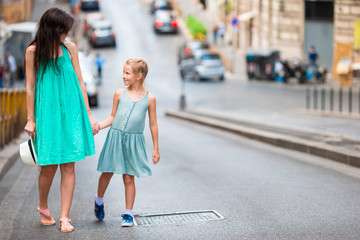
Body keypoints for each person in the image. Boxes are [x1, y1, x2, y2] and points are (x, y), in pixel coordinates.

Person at [24, 8, 98, 233]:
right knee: (48, 167)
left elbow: (80, 81)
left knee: (68, 165)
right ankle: (43, 205)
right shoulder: (33, 51)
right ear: (54, 29)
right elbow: (30, 87)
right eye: (65, 29)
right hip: (47, 113)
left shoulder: (70, 48)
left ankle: (65, 217)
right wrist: (30, 119)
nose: (68, 32)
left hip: (72, 112)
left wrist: (88, 113)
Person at [93, 58, 160, 227]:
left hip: (133, 142)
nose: (123, 76)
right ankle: (99, 200)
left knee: (129, 178)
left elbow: (153, 124)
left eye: (127, 73)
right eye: (123, 72)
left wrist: (156, 148)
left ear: (139, 76)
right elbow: (113, 117)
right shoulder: (119, 94)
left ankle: (128, 214)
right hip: (115, 139)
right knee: (107, 172)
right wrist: (99, 126)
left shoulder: (150, 99)